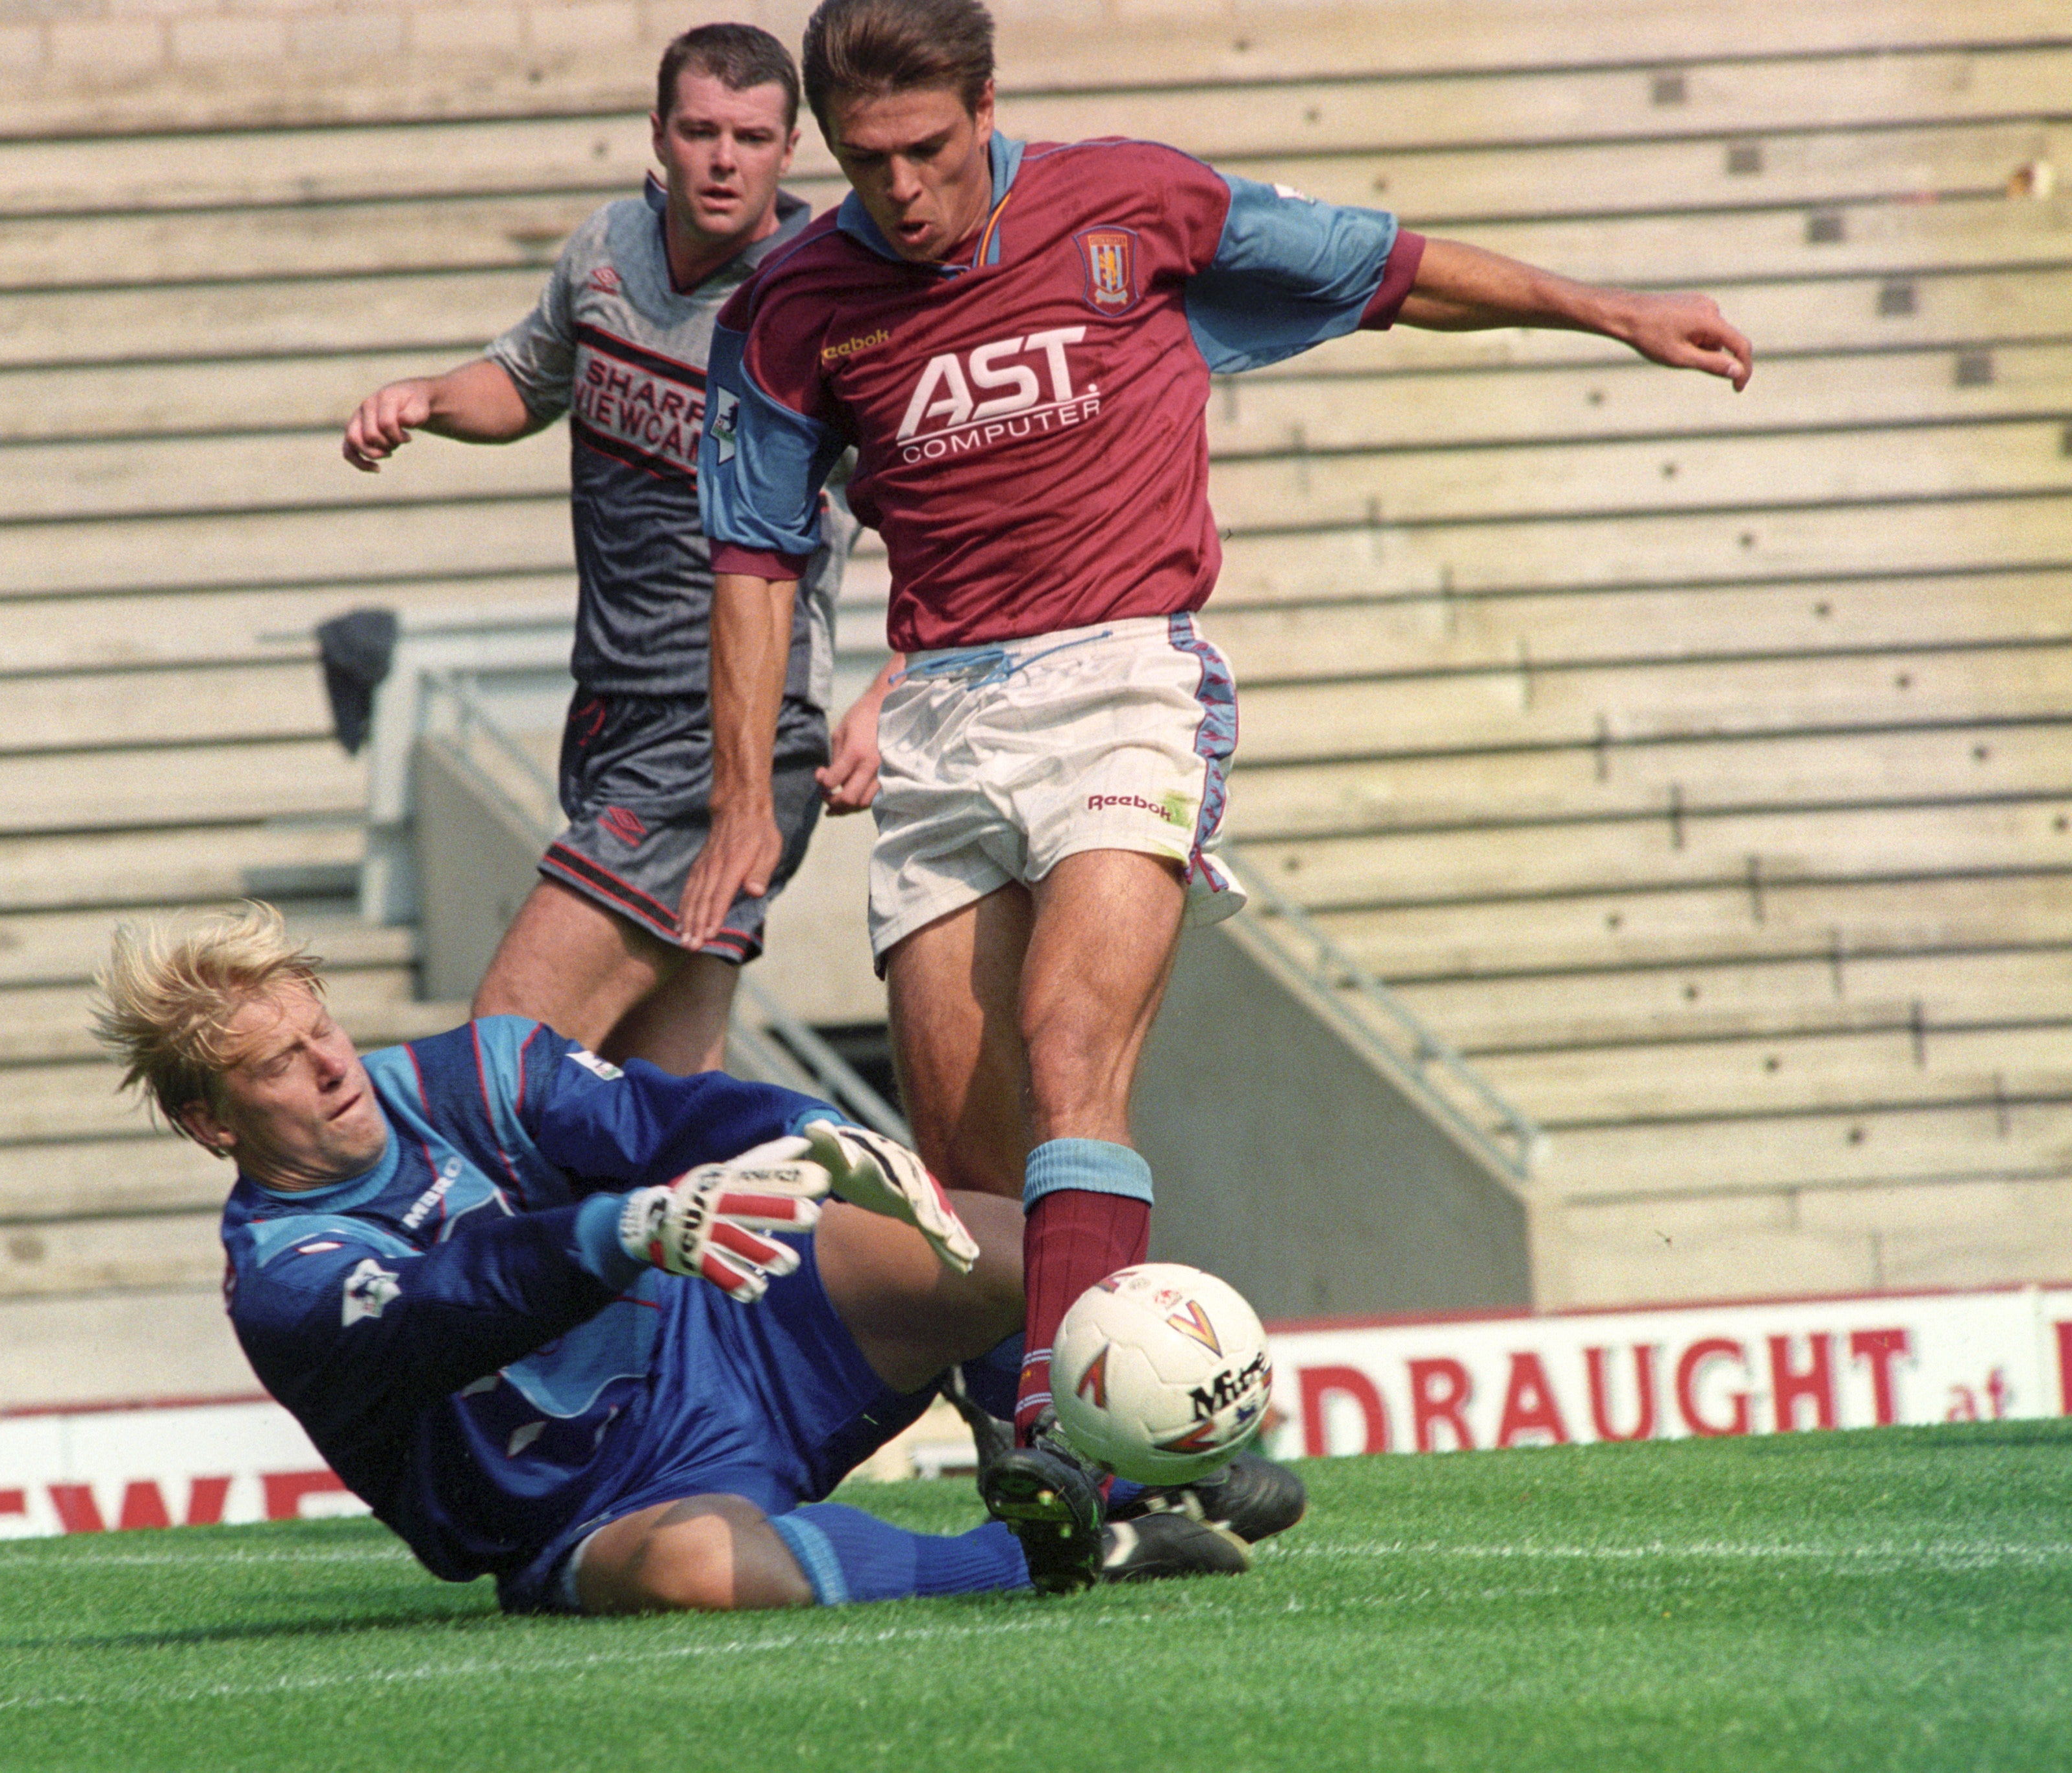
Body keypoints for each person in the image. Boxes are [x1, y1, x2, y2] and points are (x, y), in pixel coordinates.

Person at [679, 0, 1752, 1578]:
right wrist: (739, 800)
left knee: (1070, 1050)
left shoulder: (1133, 201)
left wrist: (1607, 309)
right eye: (863, 160)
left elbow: (1390, 268)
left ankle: (1057, 1433)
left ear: (986, 103)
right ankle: (1117, 1482)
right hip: (939, 720)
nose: (898, 188)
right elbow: (752, 563)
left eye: (926, 148)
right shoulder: (792, 308)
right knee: (965, 1182)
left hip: (1125, 678)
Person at [88, 902, 1298, 1610]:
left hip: (731, 1332)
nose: (329, 1066)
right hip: (588, 1509)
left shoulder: (471, 1074)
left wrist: (812, 1136)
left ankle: (1110, 1474)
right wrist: (624, 1229)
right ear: (211, 1123)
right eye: (278, 1064)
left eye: (321, 1028)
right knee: (694, 1571)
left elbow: (652, 1119)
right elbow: (455, 1301)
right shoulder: (284, 1279)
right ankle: (1057, 1559)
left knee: (1008, 1250)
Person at [340, 23, 855, 1076]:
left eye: (751, 138)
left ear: (791, 150)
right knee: (656, 1101)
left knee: (508, 1049)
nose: (724, 160)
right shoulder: (608, 249)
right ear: (658, 134)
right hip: (612, 715)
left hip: (729, 738)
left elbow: (942, 506)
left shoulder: (816, 305)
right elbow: (525, 381)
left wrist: (896, 692)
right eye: (701, 132)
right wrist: (429, 397)